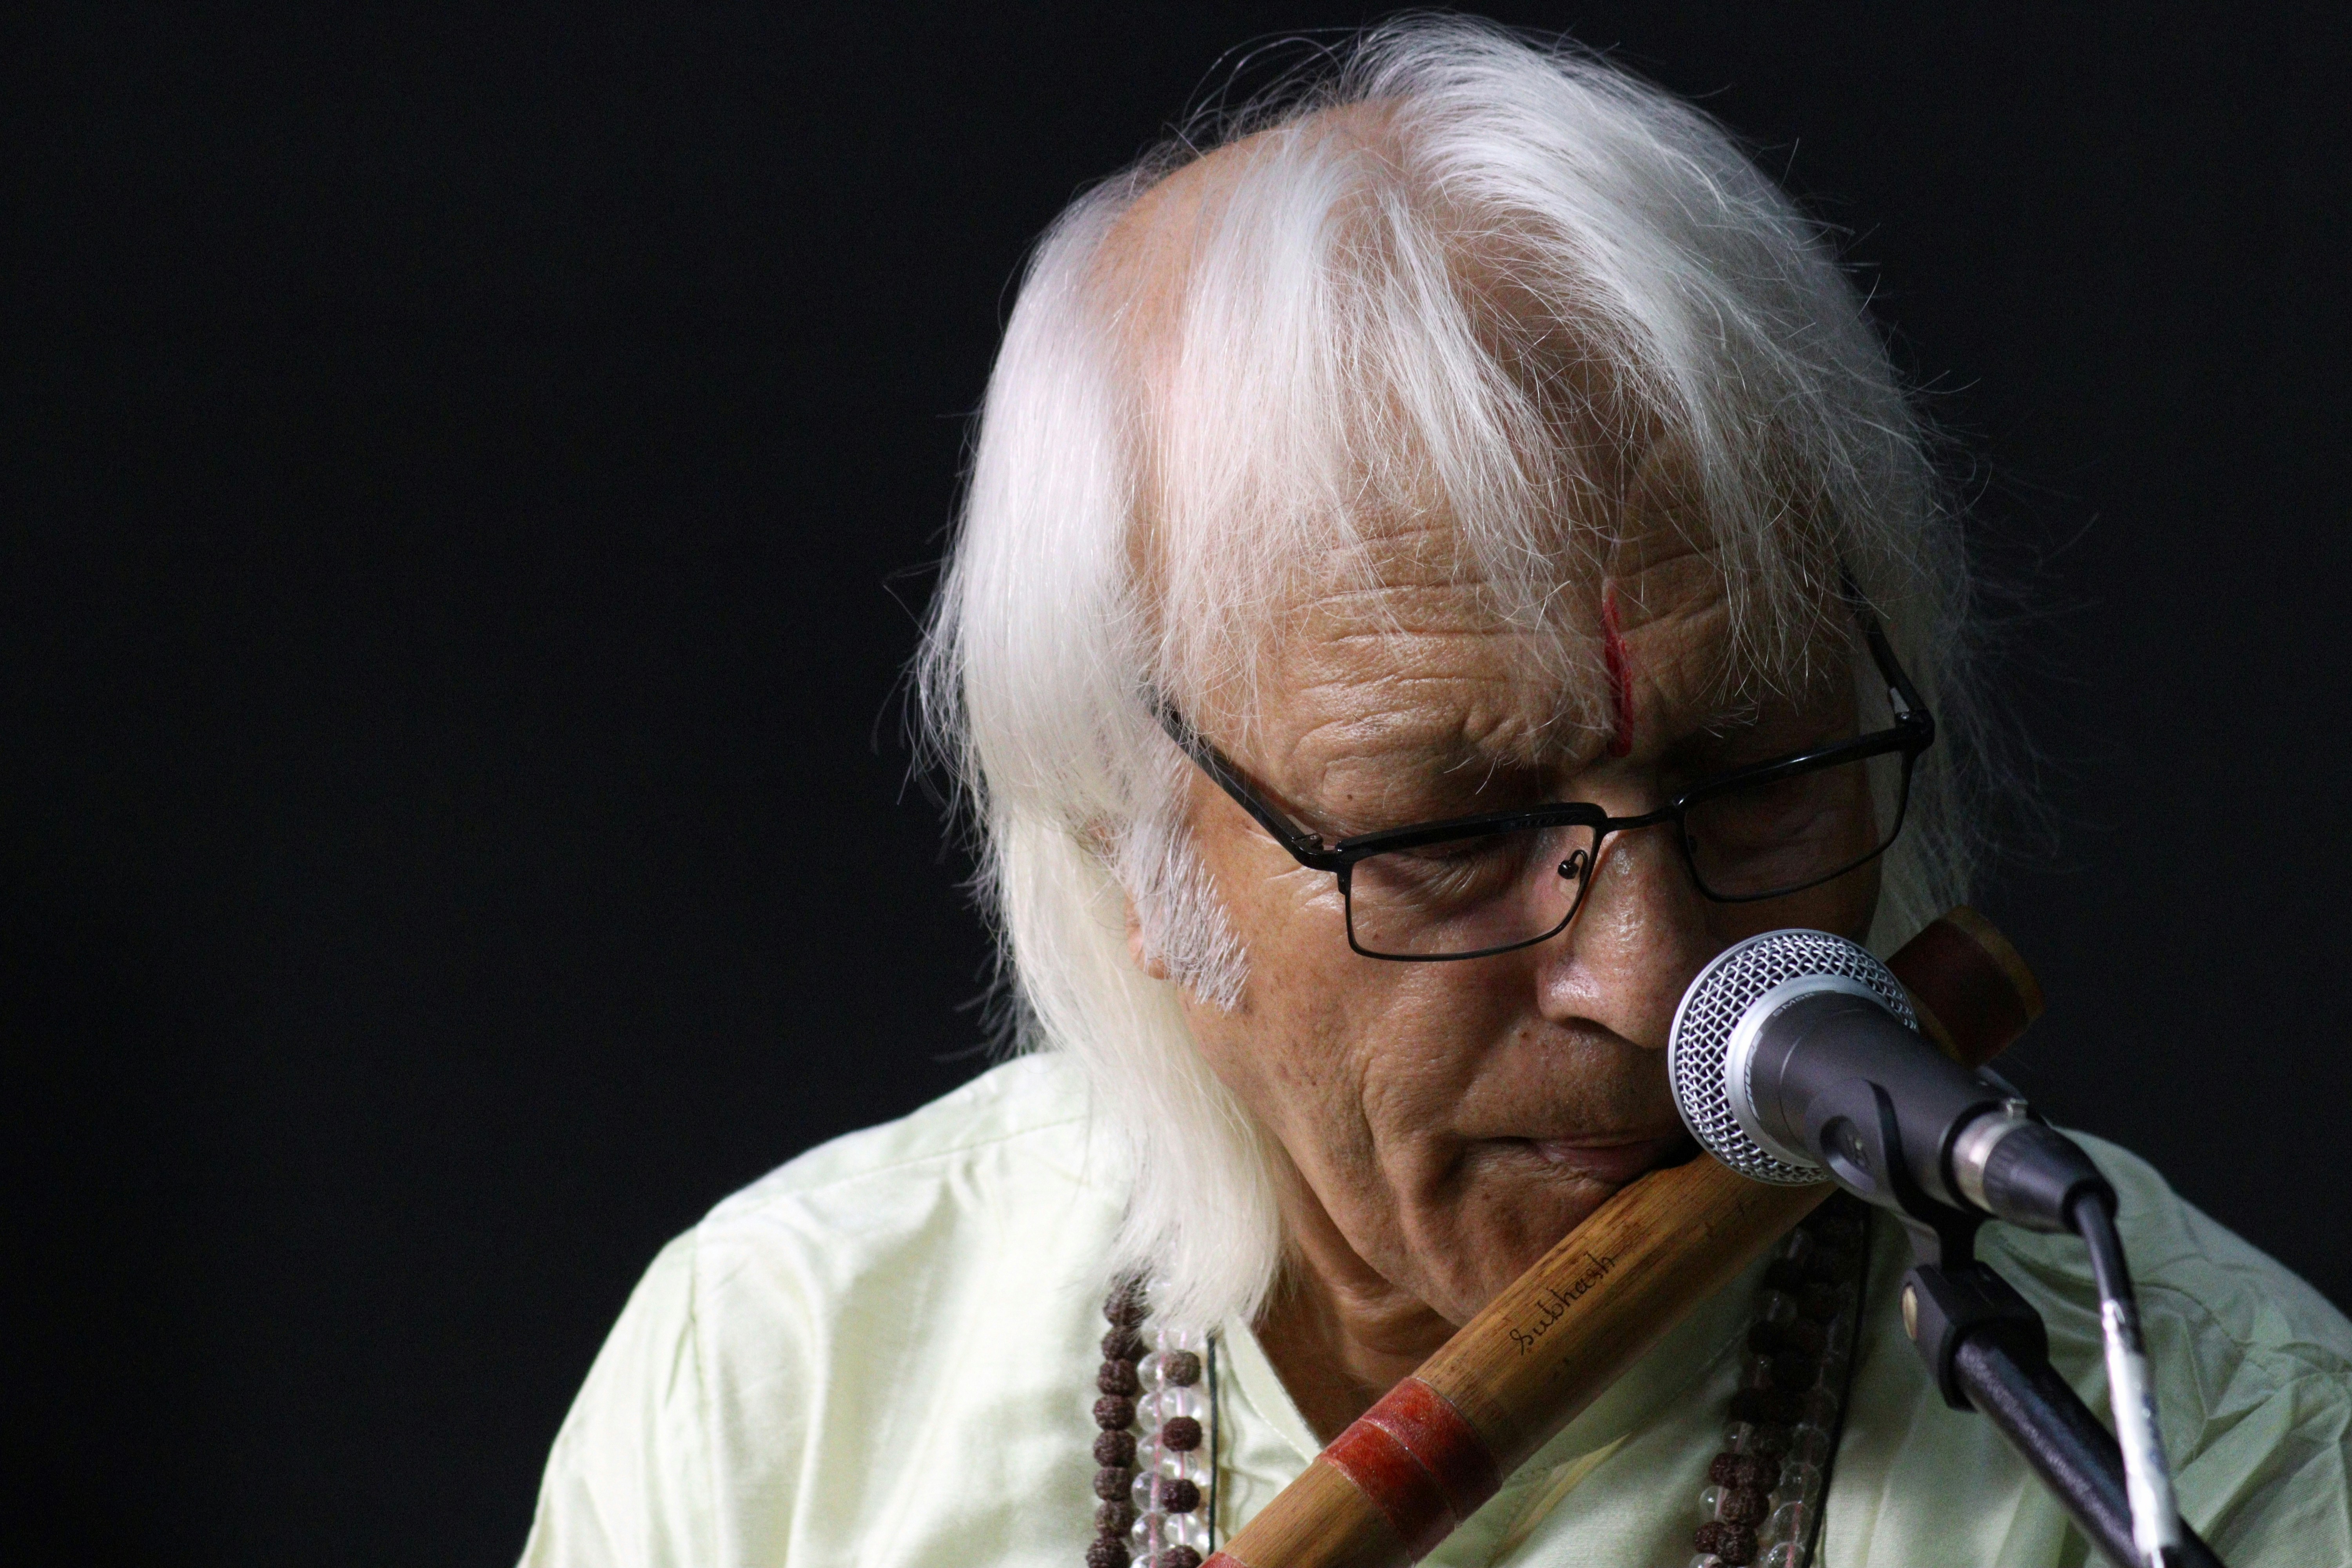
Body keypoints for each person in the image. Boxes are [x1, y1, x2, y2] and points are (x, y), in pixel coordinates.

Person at [518, 20, 2352, 1567]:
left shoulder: (2230, 1446)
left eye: (1764, 774)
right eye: (1456, 830)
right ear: (1127, 843)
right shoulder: (777, 1398)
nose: (1653, 987)